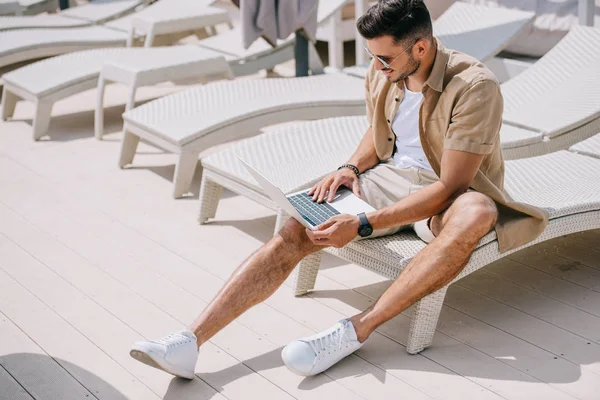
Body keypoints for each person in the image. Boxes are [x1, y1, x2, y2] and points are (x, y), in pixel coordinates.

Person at [129, 0, 549, 379]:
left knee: (478, 212)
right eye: (372, 57)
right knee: (298, 225)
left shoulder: (475, 87)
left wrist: (363, 223)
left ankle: (356, 329)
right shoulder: (384, 67)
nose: (377, 66)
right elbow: (379, 129)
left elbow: (449, 185)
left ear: (421, 48)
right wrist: (350, 167)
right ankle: (190, 341)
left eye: (385, 58)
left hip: (449, 192)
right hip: (390, 179)